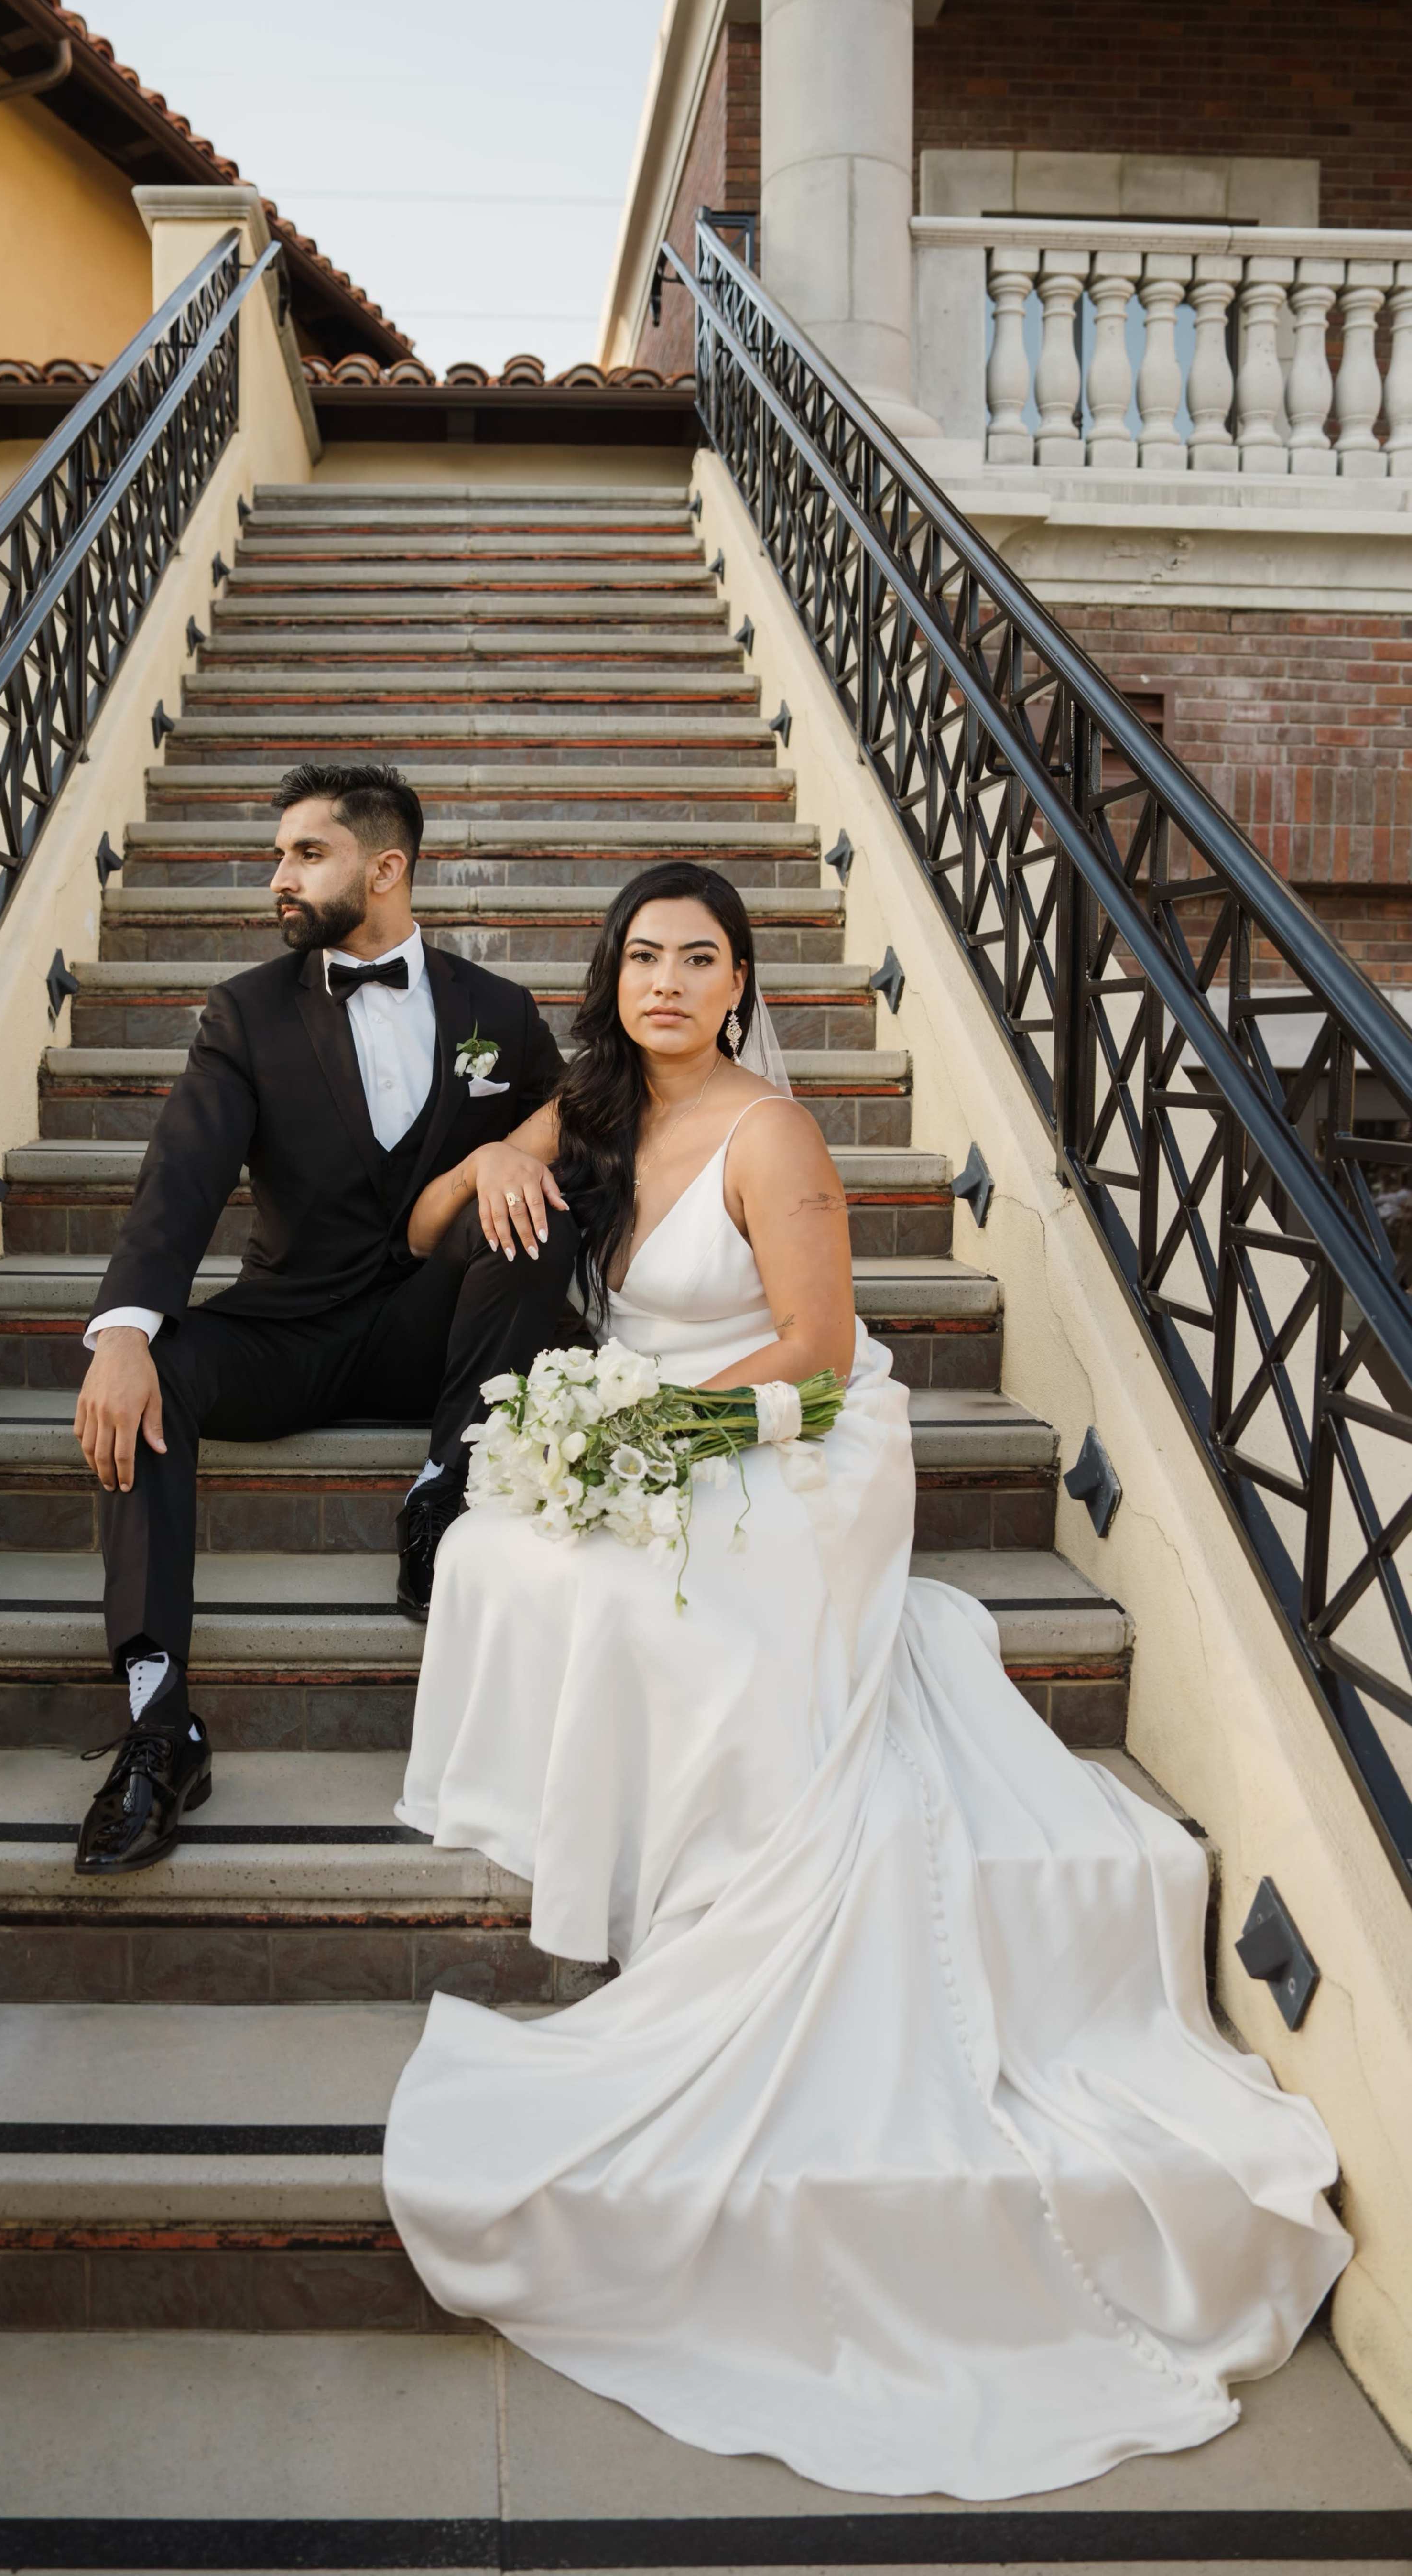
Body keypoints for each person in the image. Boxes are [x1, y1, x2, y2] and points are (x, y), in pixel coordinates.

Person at [382, 859, 1352, 2504]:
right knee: (498, 1546)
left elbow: (820, 1357)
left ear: (743, 980)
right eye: (642, 956)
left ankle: (712, 1846)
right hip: (653, 1421)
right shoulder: (592, 1109)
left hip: (786, 1436)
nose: (667, 981)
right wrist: (487, 1157)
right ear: (611, 979)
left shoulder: (774, 1132)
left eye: (699, 958)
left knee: (653, 1611)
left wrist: (644, 1436)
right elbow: (418, 1236)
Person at [70, 762, 572, 1875]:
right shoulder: (247, 1012)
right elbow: (183, 1178)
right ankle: (159, 1719)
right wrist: (123, 1330)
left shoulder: (499, 1013)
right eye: (279, 855)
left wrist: (509, 1151)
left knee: (534, 1213)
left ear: (386, 868)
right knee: (156, 1374)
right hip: (288, 1333)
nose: (277, 877)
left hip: (438, 1336)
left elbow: (576, 1135)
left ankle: (443, 1493)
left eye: (307, 853)